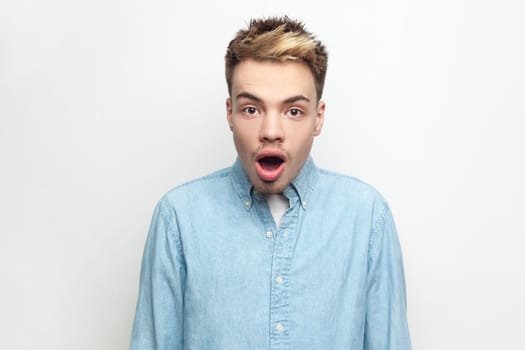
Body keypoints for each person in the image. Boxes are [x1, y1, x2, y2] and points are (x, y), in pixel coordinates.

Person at [131, 16, 411, 350]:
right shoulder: (177, 218)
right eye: (251, 109)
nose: (271, 131)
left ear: (318, 117)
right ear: (230, 112)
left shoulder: (367, 218)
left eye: (293, 111)